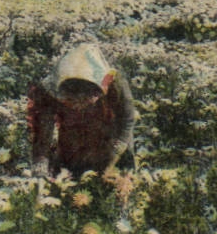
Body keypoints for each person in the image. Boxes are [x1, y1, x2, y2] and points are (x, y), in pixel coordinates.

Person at [27, 43, 136, 195]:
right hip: (73, 140)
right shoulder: (50, 89)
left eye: (83, 101)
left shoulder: (113, 82)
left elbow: (127, 120)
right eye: (71, 101)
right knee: (73, 190)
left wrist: (114, 156)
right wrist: (40, 169)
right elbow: (43, 133)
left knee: (115, 188)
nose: (78, 107)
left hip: (110, 137)